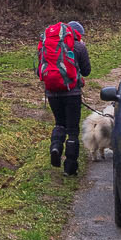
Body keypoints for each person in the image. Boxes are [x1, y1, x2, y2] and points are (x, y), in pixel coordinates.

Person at [38, 18, 92, 177]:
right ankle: (70, 168)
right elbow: (87, 71)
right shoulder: (79, 46)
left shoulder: (48, 44)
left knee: (59, 123)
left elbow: (40, 72)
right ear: (78, 35)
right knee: (73, 130)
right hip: (72, 93)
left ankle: (55, 147)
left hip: (52, 93)